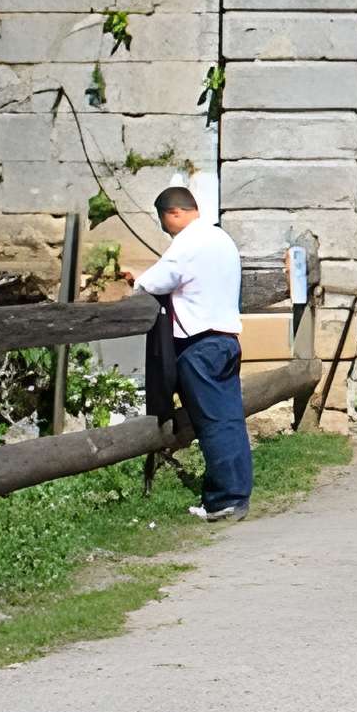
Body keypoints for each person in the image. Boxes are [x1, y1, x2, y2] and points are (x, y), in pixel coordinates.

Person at [133, 185, 252, 521]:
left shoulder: (188, 242)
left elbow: (155, 281)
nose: (165, 230)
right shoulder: (221, 239)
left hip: (200, 345)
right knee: (229, 419)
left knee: (213, 423)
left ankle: (224, 500)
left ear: (174, 213)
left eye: (163, 222)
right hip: (227, 338)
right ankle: (238, 494)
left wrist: (135, 285)